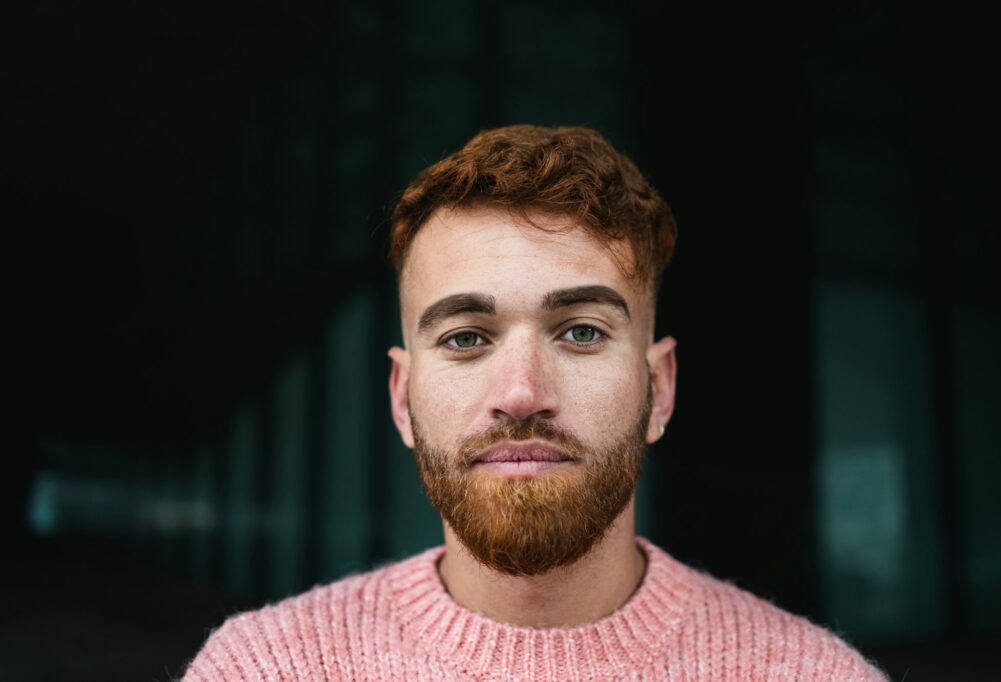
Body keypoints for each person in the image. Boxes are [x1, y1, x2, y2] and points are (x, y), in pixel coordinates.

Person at [182, 125, 887, 681]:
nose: (521, 392)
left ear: (660, 389)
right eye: (465, 337)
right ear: (402, 400)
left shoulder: (812, 675)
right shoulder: (263, 669)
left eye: (581, 332)